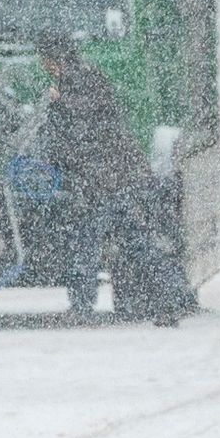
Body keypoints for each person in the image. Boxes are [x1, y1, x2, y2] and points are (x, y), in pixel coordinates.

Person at [33, 36, 151, 322]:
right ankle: (171, 295)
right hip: (108, 175)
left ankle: (82, 306)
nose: (44, 66)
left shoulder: (80, 78)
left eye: (46, 60)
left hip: (104, 178)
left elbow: (88, 118)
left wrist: (60, 102)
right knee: (134, 241)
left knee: (88, 243)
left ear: (55, 59)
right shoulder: (79, 76)